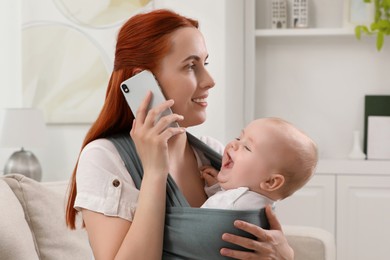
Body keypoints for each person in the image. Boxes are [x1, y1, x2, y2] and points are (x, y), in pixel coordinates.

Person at [65, 9, 295, 259]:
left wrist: (285, 255)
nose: (209, 80)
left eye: (205, 64)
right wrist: (154, 172)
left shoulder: (213, 154)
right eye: (190, 66)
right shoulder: (104, 158)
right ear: (142, 81)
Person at [200, 117, 318, 210]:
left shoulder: (237, 204)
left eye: (246, 147)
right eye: (238, 138)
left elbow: (204, 221)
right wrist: (216, 188)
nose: (234, 144)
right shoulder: (258, 204)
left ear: (270, 182)